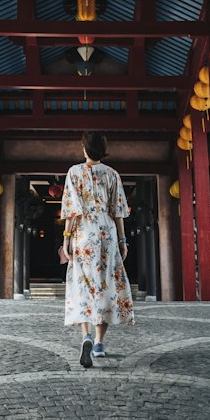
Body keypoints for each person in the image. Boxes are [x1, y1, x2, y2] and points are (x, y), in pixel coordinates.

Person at [58, 131, 134, 367]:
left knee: (82, 285)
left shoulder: (74, 172)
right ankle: (99, 344)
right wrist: (122, 241)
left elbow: (71, 210)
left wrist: (66, 239)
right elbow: (118, 211)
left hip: (83, 234)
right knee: (106, 285)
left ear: (84, 149)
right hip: (107, 234)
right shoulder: (112, 175)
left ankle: (86, 336)